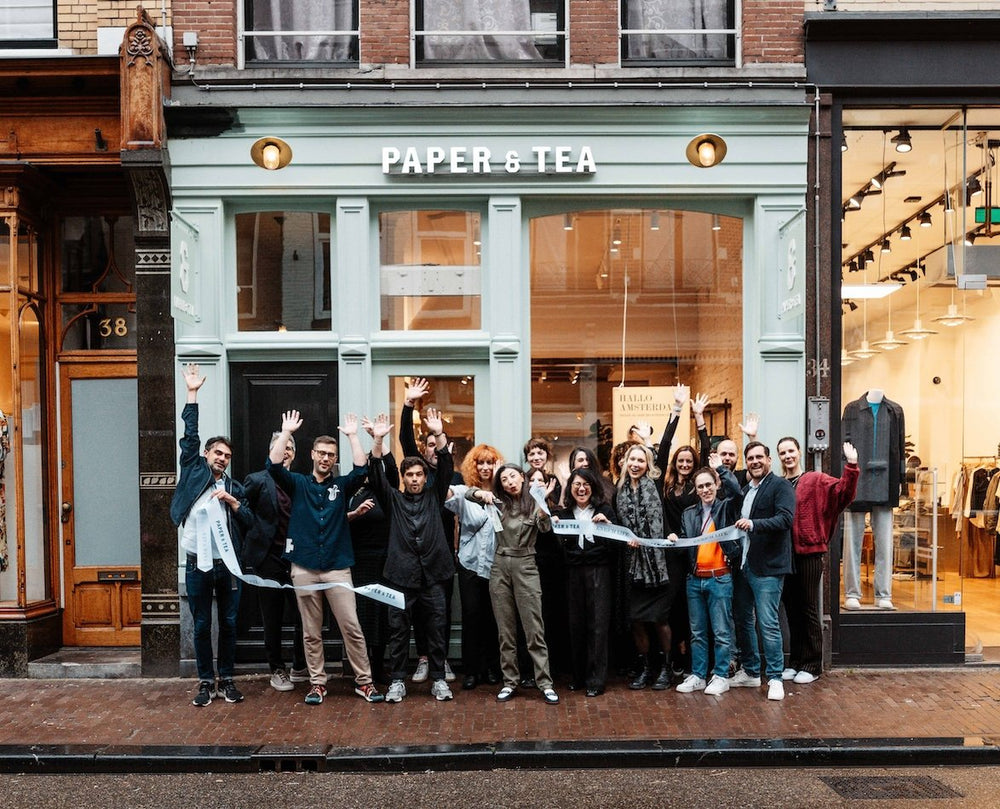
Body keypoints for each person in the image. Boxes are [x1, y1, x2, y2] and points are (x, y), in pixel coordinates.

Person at [268, 410, 384, 705]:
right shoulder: (298, 484)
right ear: (312, 454)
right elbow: (274, 466)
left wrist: (353, 436)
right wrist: (285, 432)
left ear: (334, 459)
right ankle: (317, 684)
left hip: (337, 567)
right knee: (310, 632)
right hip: (304, 567)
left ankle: (364, 682)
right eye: (321, 453)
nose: (326, 458)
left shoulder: (341, 486)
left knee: (351, 627)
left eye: (331, 455)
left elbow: (361, 469)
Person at [170, 363, 253, 708]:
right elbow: (189, 436)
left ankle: (227, 679)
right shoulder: (193, 472)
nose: (222, 459)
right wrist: (192, 393)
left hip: (228, 567)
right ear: (206, 454)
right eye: (218, 453)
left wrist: (233, 502)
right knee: (202, 624)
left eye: (227, 456)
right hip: (196, 564)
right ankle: (206, 681)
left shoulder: (235, 487)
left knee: (230, 624)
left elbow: (249, 521)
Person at [368, 411, 456, 703]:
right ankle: (397, 681)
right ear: (403, 478)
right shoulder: (393, 499)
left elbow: (446, 466)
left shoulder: (435, 495)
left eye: (419, 474)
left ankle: (439, 679)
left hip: (434, 575)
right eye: (410, 475)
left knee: (437, 628)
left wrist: (439, 434)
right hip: (400, 576)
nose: (415, 478)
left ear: (425, 477)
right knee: (398, 630)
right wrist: (378, 440)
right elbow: (376, 475)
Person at [467, 463, 559, 705]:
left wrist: (543, 504)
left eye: (513, 476)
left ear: (522, 477)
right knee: (505, 631)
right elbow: (467, 494)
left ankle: (545, 683)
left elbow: (545, 528)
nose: (509, 482)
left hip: (526, 565)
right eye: (504, 479)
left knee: (534, 630)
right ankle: (510, 682)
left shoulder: (535, 502)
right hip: (500, 566)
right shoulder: (498, 502)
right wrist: (482, 493)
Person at [776, 437, 859, 684]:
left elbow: (843, 493)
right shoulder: (780, 484)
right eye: (783, 453)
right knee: (792, 610)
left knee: (808, 607)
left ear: (799, 452)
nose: (787, 456)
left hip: (809, 552)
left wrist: (851, 466)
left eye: (791, 451)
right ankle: (796, 661)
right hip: (786, 555)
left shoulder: (815, 479)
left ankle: (812, 665)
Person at [398, 377, 458, 683]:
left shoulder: (449, 477)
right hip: (414, 555)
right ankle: (423, 658)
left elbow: (446, 464)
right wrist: (408, 405)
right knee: (419, 612)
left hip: (442, 555)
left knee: (441, 611)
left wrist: (439, 433)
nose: (434, 449)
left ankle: (441, 659)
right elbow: (405, 440)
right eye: (430, 445)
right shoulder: (418, 474)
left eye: (438, 445)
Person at [728, 441, 796, 701]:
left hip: (768, 568)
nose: (755, 461)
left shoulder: (781, 486)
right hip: (745, 565)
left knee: (768, 623)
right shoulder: (747, 490)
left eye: (759, 457)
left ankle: (776, 678)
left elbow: (786, 519)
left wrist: (753, 524)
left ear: (769, 460)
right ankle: (751, 672)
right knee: (744, 620)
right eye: (750, 458)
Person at [242, 431, 307, 692]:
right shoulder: (257, 480)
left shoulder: (300, 482)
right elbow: (243, 514)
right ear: (273, 451)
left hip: (298, 559)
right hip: (268, 559)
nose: (287, 451)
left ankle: (299, 665)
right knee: (272, 617)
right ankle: (277, 669)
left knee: (304, 615)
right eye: (282, 446)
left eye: (290, 447)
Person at [674, 459, 742, 697]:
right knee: (697, 632)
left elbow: (737, 493)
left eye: (708, 485)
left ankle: (721, 676)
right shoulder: (688, 514)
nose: (705, 490)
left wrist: (721, 469)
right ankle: (698, 675)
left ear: (716, 484)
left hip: (720, 577)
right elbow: (686, 542)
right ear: (696, 489)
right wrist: (676, 540)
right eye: (700, 486)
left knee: (722, 632)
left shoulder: (726, 508)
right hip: (695, 579)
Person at [553, 467, 616, 697]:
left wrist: (607, 526)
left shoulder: (604, 510)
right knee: (575, 624)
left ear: (593, 487)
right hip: (572, 573)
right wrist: (555, 528)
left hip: (598, 570)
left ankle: (596, 680)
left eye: (586, 484)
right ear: (570, 488)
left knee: (598, 625)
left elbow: (615, 545)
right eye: (577, 484)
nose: (581, 489)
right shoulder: (564, 514)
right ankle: (578, 677)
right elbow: (559, 550)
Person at [446, 442, 503, 690]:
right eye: (481, 463)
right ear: (473, 466)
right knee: (471, 617)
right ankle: (471, 670)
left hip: (497, 565)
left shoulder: (505, 494)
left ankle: (492, 668)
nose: (485, 467)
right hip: (469, 563)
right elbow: (445, 493)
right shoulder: (464, 492)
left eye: (490, 462)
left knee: (493, 619)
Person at [616, 443, 673, 690]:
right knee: (637, 620)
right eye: (632, 460)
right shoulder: (619, 490)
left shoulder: (656, 486)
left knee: (660, 620)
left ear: (648, 465)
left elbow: (666, 518)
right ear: (625, 463)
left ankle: (666, 668)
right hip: (633, 566)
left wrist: (670, 533)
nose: (636, 464)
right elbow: (618, 524)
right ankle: (646, 668)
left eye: (641, 460)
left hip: (658, 565)